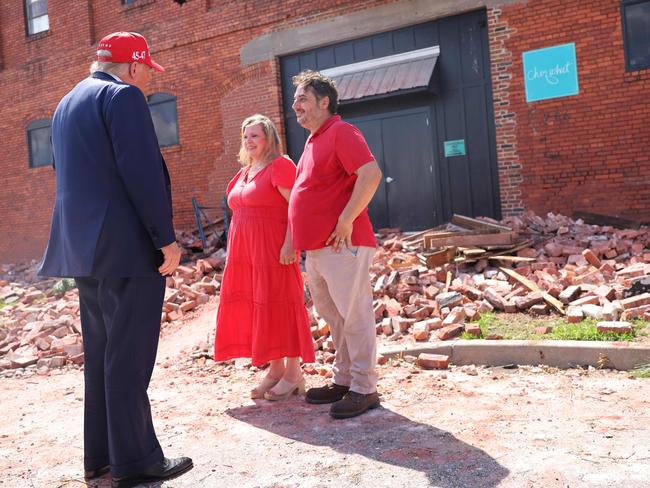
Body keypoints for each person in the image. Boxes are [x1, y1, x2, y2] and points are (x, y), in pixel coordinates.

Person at [38, 32, 192, 487]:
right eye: (147, 71)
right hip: (127, 250)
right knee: (129, 357)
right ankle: (135, 461)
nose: (147, 81)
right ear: (132, 66)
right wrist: (165, 239)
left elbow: (66, 174)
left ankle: (100, 458)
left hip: (85, 251)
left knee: (104, 354)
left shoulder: (66, 104)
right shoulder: (122, 97)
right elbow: (139, 170)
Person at [288, 70, 383, 419]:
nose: (295, 104)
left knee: (354, 314)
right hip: (318, 248)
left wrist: (345, 220)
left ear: (324, 102)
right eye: (296, 99)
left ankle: (365, 387)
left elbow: (370, 175)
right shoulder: (314, 140)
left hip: (343, 243)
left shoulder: (341, 132)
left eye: (303, 98)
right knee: (335, 317)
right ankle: (344, 379)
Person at [214, 114, 315, 401]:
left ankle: (294, 374)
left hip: (273, 250)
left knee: (282, 305)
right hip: (246, 254)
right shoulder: (245, 171)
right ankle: (275, 370)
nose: (249, 141)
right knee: (262, 307)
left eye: (255, 135)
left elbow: (295, 208)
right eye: (246, 136)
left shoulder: (280, 165)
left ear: (269, 137)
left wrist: (290, 245)